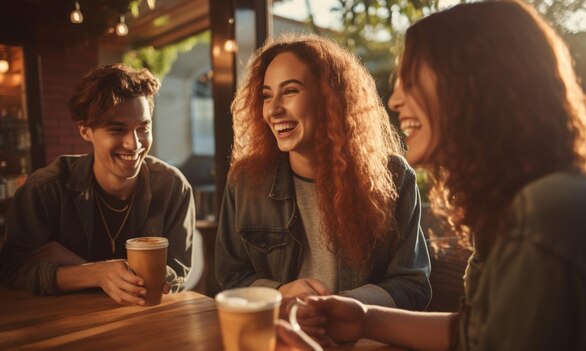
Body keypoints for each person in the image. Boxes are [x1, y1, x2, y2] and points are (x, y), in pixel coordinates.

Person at [277, 0, 586, 350]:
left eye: (410, 79)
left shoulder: (546, 217)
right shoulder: (523, 203)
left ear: (472, 84)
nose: (395, 100)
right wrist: (366, 319)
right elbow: (478, 335)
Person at [215, 34, 431, 310]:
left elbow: (413, 285)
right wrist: (281, 292)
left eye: (290, 91)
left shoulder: (394, 177)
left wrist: (348, 306)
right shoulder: (245, 180)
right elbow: (229, 277)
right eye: (267, 96)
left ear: (330, 99)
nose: (273, 110)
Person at [0, 64, 195, 306]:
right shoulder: (45, 189)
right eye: (117, 129)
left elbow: (176, 276)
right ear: (85, 131)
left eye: (143, 128)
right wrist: (95, 273)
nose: (134, 144)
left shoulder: (173, 187)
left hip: (141, 323)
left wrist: (72, 264)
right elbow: (10, 271)